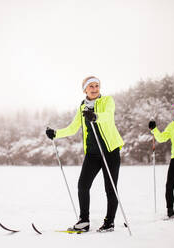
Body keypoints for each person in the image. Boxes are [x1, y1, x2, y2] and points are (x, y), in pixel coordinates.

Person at [45, 76, 124, 232]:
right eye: (91, 86)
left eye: (97, 85)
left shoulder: (107, 101)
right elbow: (73, 128)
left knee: (110, 188)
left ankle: (109, 222)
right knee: (83, 185)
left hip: (110, 151)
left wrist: (95, 116)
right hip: (93, 153)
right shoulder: (82, 107)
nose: (94, 89)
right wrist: (56, 133)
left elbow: (108, 116)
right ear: (84, 90)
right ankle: (84, 221)